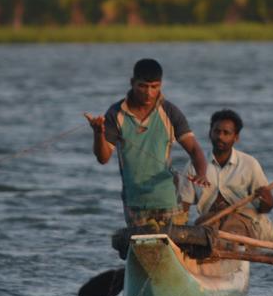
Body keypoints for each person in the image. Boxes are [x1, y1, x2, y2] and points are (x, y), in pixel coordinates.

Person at [85, 58, 209, 228]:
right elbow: (103, 158)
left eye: (154, 87)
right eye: (142, 86)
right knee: (145, 247)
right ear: (132, 83)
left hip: (169, 200)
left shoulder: (169, 111)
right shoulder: (116, 114)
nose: (149, 93)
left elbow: (194, 149)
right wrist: (99, 133)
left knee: (170, 247)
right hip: (135, 203)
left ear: (161, 85)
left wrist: (201, 173)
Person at [178, 109, 273, 241]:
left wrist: (268, 199)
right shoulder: (194, 165)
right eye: (217, 131)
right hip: (209, 220)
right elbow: (183, 205)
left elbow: (265, 208)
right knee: (197, 236)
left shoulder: (249, 164)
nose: (220, 137)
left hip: (243, 221)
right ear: (210, 133)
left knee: (231, 231)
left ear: (236, 137)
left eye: (226, 133)